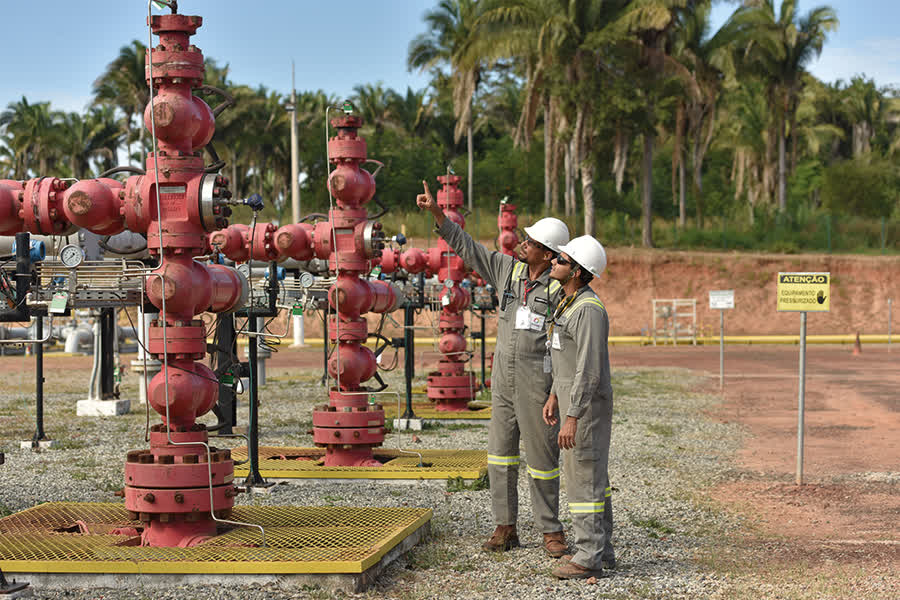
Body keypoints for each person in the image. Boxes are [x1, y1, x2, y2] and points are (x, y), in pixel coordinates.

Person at [416, 180, 570, 557]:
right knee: (500, 456)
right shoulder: (508, 272)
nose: (522, 243)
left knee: (542, 460)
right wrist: (440, 217)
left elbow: (567, 347)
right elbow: (469, 248)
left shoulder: (560, 290)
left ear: (548, 255)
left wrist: (555, 393)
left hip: (538, 383)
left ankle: (550, 531)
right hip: (503, 382)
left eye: (531, 242)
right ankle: (506, 526)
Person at [542, 235, 615, 579]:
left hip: (584, 408)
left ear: (577, 272)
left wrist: (572, 416)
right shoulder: (566, 301)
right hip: (571, 399)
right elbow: (564, 359)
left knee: (584, 478)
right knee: (591, 475)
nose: (554, 260)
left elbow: (588, 369)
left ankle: (588, 556)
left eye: (561, 259)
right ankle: (604, 550)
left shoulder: (587, 310)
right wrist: (555, 395)